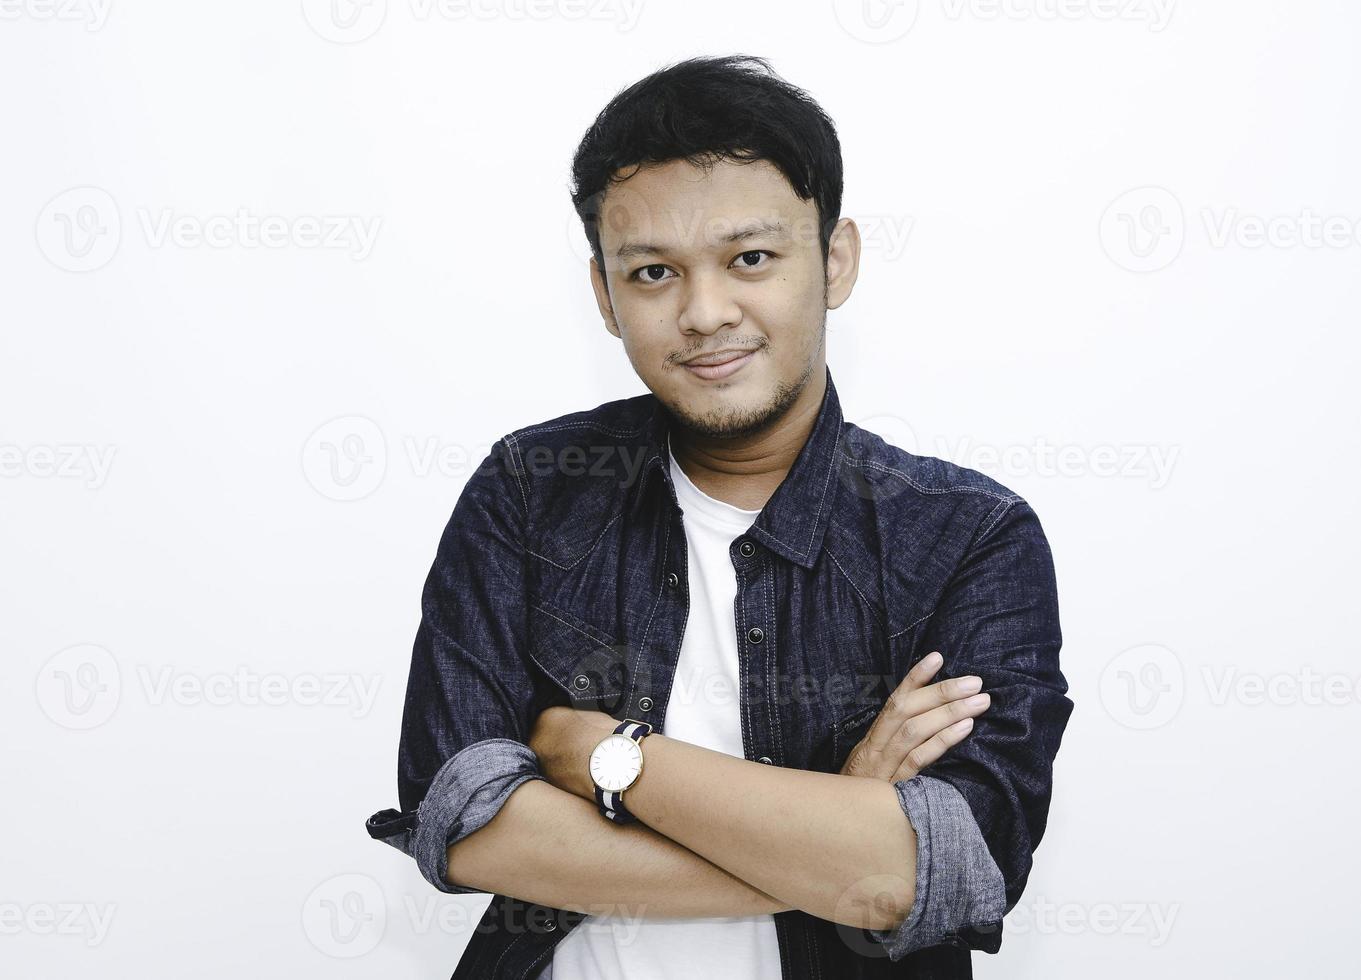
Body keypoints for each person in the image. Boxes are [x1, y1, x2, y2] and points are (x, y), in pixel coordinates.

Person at [365, 53, 1073, 980]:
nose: (704, 312)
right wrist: (831, 829)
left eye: (750, 258)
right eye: (654, 271)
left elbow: (936, 871)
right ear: (605, 298)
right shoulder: (531, 489)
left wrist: (613, 763)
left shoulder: (967, 537)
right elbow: (465, 828)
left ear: (836, 258)